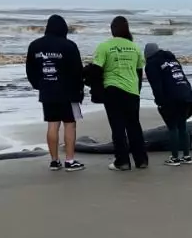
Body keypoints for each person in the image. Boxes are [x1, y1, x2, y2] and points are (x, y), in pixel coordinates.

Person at [25, 14, 85, 172]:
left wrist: (38, 85)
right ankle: (70, 161)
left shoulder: (35, 46)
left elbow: (30, 70)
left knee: (52, 124)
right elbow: (77, 70)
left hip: (47, 90)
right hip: (67, 91)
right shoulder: (69, 45)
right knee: (70, 125)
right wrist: (80, 90)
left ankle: (54, 160)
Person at [92, 16, 148, 171]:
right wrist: (136, 91)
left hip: (113, 89)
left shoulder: (104, 46)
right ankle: (141, 160)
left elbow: (96, 70)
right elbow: (139, 72)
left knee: (117, 127)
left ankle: (122, 161)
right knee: (134, 126)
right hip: (132, 91)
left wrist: (97, 92)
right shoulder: (135, 47)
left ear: (112, 30)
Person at [144, 42, 192, 166]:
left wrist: (160, 102)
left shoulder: (152, 64)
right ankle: (187, 156)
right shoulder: (173, 60)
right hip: (186, 94)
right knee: (182, 126)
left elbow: (156, 86)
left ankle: (174, 158)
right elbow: (182, 77)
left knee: (172, 127)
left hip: (172, 97)